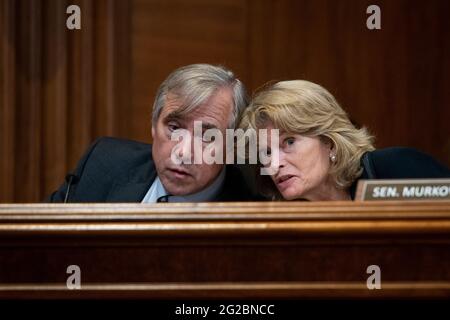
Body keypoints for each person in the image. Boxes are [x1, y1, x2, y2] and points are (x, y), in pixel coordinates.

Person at [48, 64, 256, 203]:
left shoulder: (254, 210)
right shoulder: (102, 164)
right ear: (154, 125)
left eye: (207, 137)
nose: (182, 153)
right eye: (174, 128)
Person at [238, 80, 450, 201]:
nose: (274, 165)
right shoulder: (285, 225)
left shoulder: (395, 167)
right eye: (266, 153)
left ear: (329, 141)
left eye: (289, 142)